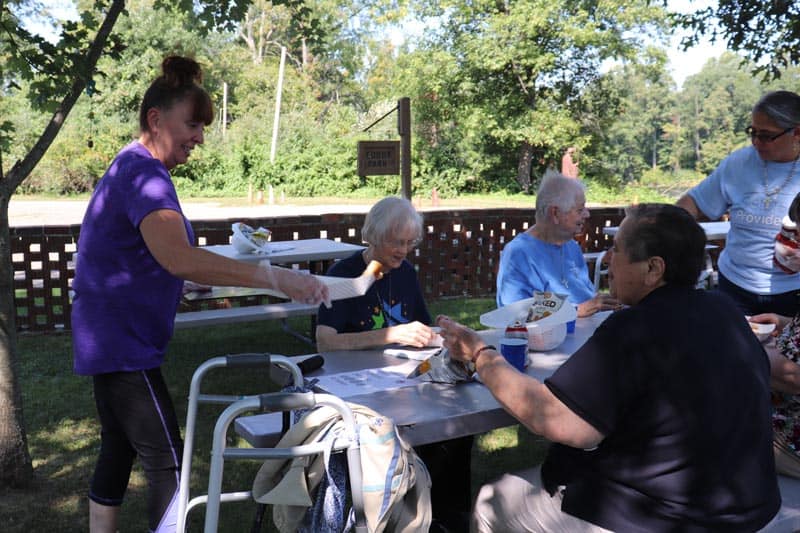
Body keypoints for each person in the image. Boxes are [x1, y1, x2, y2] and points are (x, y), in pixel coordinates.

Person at [71, 56, 329, 533]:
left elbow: (137, 254)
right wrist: (277, 278)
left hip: (107, 338)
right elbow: (179, 255)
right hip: (122, 343)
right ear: (156, 119)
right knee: (168, 463)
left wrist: (174, 279)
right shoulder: (145, 175)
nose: (200, 138)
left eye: (202, 127)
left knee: (118, 447)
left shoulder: (131, 166)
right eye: (192, 124)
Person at [439, 203, 780, 532]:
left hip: (664, 518)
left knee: (491, 500)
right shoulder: (726, 311)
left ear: (653, 269)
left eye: (617, 250)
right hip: (747, 509)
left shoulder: (636, 327)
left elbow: (555, 419)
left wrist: (480, 353)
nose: (608, 260)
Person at [316, 196, 472, 532]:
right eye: (395, 242)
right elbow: (325, 340)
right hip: (358, 387)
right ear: (372, 236)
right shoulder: (343, 275)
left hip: (404, 380)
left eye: (409, 243)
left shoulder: (406, 273)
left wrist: (437, 333)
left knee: (458, 427)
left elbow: (422, 327)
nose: (403, 251)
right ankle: (406, 513)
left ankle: (446, 518)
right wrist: (389, 335)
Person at [677, 90, 800, 316]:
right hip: (734, 287)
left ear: (797, 133)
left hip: (794, 292)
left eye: (766, 135)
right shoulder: (738, 163)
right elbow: (693, 203)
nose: (756, 142)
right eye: (753, 132)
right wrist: (659, 232)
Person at [495, 170, 619, 317]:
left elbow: (586, 297)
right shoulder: (519, 253)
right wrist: (576, 311)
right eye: (580, 210)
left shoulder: (571, 246)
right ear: (555, 213)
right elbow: (515, 312)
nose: (587, 214)